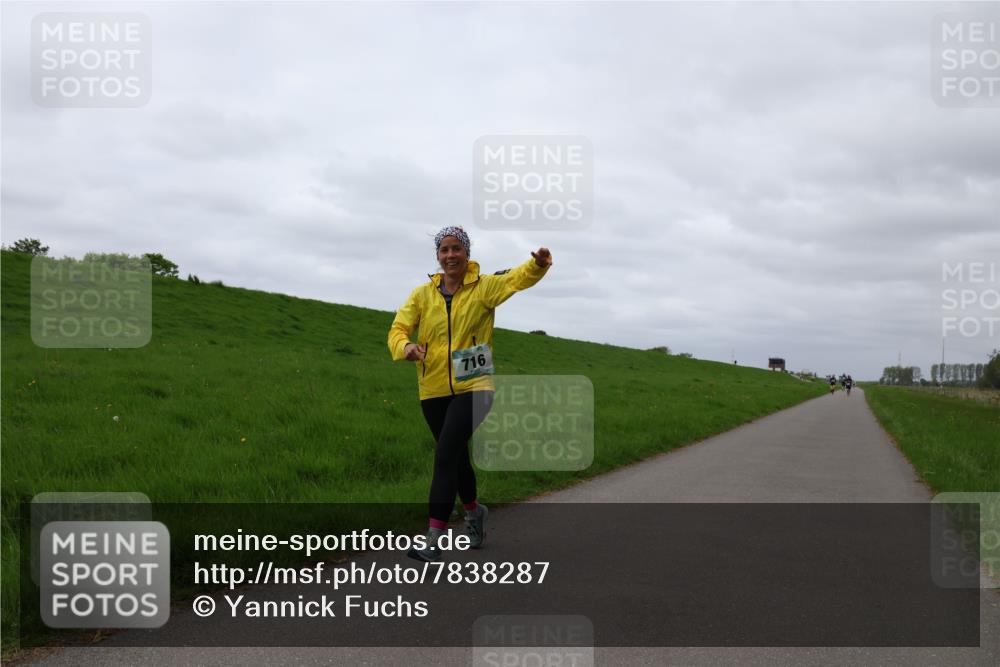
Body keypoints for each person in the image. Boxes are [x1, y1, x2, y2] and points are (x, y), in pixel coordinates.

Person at [388, 226, 552, 562]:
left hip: (476, 387)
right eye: (444, 250)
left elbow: (516, 279)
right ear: (437, 256)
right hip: (432, 388)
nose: (450, 255)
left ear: (467, 253)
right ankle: (475, 513)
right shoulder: (422, 295)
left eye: (456, 249)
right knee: (457, 457)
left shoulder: (484, 288)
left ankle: (434, 538)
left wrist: (537, 265)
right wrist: (405, 347)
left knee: (445, 454)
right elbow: (398, 328)